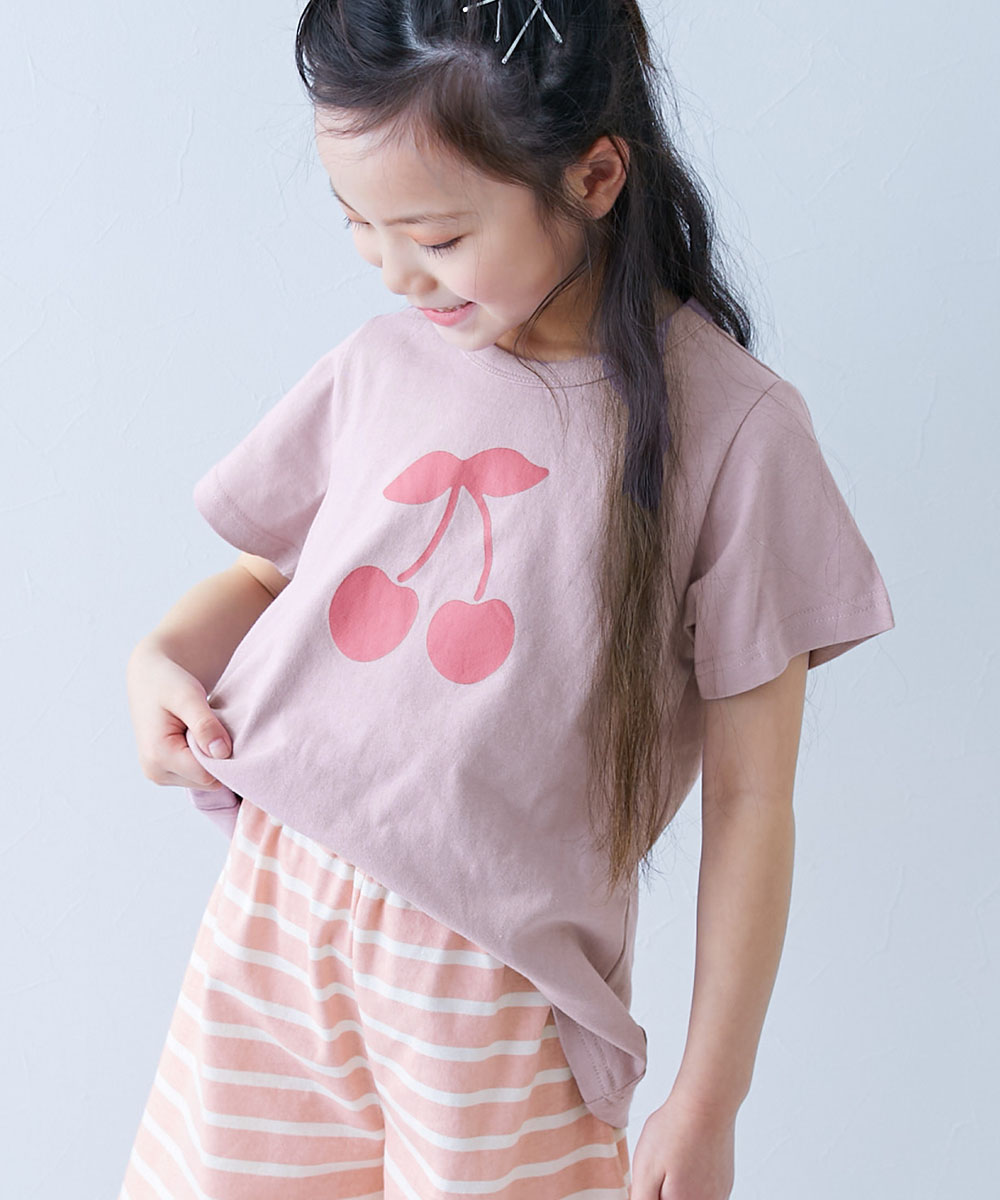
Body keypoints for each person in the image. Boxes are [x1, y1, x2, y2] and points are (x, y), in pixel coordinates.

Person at [118, 0, 896, 1196]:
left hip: (493, 991)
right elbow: (269, 580)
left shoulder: (738, 434)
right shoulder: (381, 364)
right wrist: (160, 657)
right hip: (273, 920)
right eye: (359, 225)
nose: (392, 271)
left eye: (433, 235)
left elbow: (752, 801)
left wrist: (709, 1097)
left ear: (594, 175)